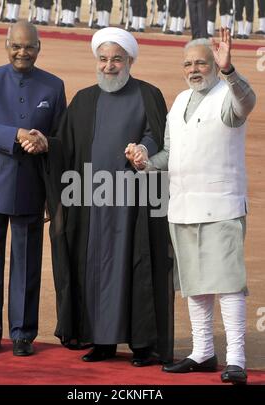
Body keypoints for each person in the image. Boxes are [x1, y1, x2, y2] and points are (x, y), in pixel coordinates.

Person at [30, 27, 174, 366]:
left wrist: (142, 149)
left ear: (129, 61)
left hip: (133, 204)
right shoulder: (84, 99)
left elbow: (158, 136)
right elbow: (65, 143)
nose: (109, 66)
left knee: (134, 267)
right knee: (94, 269)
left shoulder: (148, 94)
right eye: (104, 59)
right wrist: (46, 143)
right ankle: (103, 341)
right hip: (90, 203)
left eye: (117, 60)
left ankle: (143, 345)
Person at [126, 28, 255, 383]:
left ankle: (237, 359)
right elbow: (170, 153)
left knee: (227, 283)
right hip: (182, 206)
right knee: (195, 283)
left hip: (221, 206)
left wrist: (230, 71)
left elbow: (246, 102)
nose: (194, 69)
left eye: (201, 62)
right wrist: (145, 160)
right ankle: (202, 353)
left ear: (214, 63)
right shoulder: (180, 101)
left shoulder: (227, 95)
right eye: (188, 63)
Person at [0, 21, 66, 356]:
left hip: (31, 186)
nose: (22, 53)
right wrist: (17, 136)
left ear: (39, 47)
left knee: (26, 263)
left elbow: (60, 137)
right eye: (16, 46)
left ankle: (23, 334)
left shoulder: (53, 86)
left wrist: (45, 144)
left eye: (29, 47)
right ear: (6, 45)